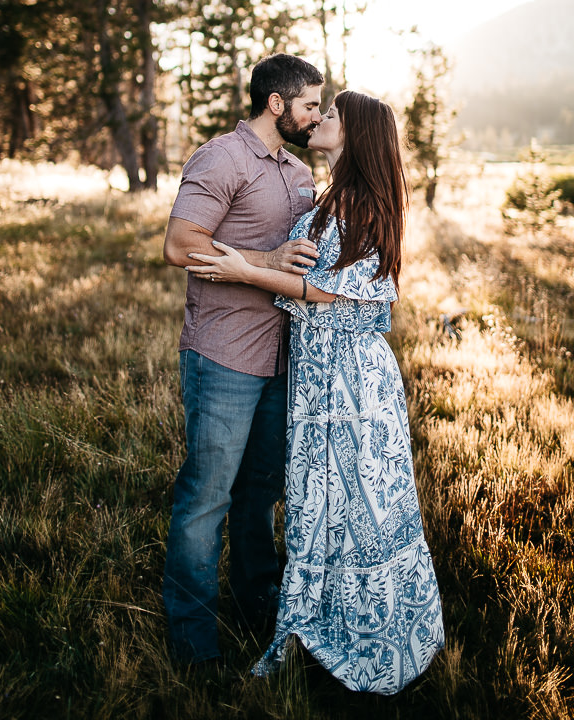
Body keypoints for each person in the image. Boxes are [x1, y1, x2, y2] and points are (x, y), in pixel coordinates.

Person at [187, 90, 445, 694]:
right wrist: (264, 259)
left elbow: (330, 292)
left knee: (359, 505)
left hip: (350, 380)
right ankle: (329, 622)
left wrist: (245, 271)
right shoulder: (331, 195)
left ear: (355, 134)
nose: (320, 118)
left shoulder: (361, 201)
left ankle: (376, 641)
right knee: (326, 505)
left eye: (331, 114)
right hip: (321, 371)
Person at [162, 53, 325, 667]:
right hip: (224, 356)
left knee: (260, 494)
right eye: (310, 105)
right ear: (276, 103)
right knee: (207, 498)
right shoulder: (221, 159)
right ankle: (193, 647)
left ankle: (258, 609)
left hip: (284, 361)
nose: (317, 116)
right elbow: (181, 245)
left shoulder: (299, 170)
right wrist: (266, 262)